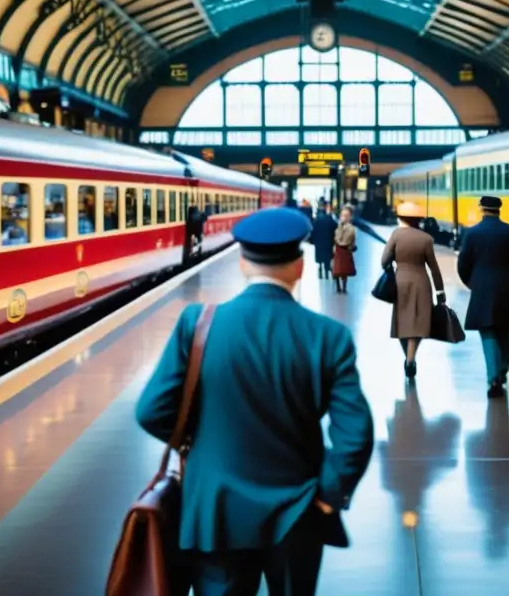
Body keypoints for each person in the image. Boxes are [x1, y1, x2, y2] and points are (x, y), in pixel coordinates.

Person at [136, 207, 375, 596]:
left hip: (214, 510)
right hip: (298, 511)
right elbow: (356, 434)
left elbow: (151, 411)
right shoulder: (327, 336)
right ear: (299, 267)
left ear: (244, 264)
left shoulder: (196, 325)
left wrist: (199, 446)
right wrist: (329, 496)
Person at [457, 196, 509, 399]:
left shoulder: (472, 233)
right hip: (507, 287)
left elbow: (463, 264)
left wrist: (473, 283)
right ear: (499, 209)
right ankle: (503, 369)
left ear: (481, 209)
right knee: (504, 330)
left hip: (482, 288)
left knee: (488, 332)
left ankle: (493, 378)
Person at [380, 201, 445, 380]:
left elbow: (384, 261)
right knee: (418, 324)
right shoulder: (426, 239)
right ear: (418, 220)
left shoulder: (396, 235)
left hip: (401, 283)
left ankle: (408, 358)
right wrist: (440, 291)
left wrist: (394, 260)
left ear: (402, 218)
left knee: (402, 323)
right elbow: (434, 268)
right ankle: (410, 359)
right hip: (421, 283)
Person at [332, 205, 357, 293]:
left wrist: (338, 239)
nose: (343, 217)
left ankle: (344, 287)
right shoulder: (339, 226)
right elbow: (336, 236)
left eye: (346, 215)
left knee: (344, 270)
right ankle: (338, 286)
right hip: (338, 251)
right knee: (336, 269)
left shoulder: (351, 228)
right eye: (342, 215)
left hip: (345, 251)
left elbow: (344, 241)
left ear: (350, 217)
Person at [311, 201, 336, 279]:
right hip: (328, 241)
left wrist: (313, 241)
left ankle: (320, 269)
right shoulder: (329, 218)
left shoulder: (316, 219)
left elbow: (312, 231)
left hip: (319, 241)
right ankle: (326, 270)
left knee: (320, 256)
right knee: (327, 257)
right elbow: (335, 228)